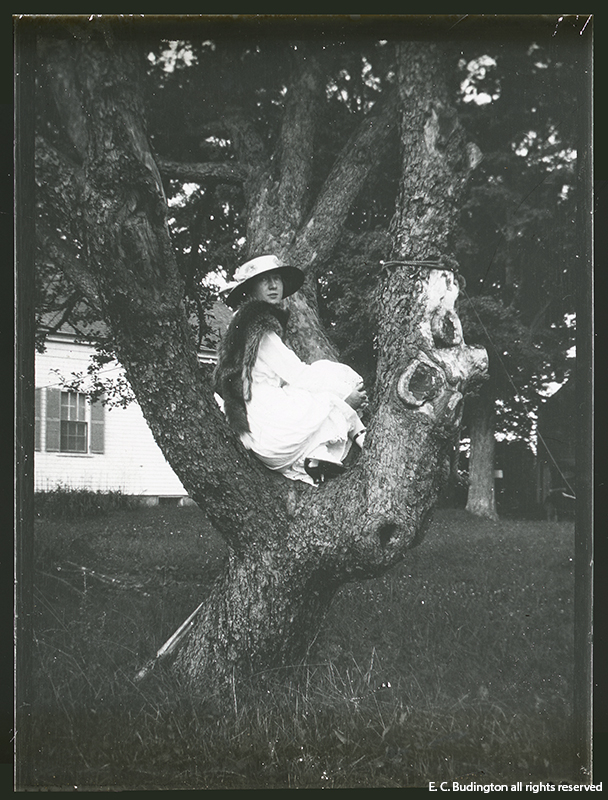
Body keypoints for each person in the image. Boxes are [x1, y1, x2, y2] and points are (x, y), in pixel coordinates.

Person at [214, 254, 367, 486]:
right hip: (271, 427)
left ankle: (319, 458)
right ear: (250, 288)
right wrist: (345, 396)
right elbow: (298, 374)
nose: (273, 285)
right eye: (264, 280)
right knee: (327, 379)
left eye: (277, 278)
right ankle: (361, 436)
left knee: (317, 384)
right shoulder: (258, 327)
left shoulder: (239, 324)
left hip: (259, 431)